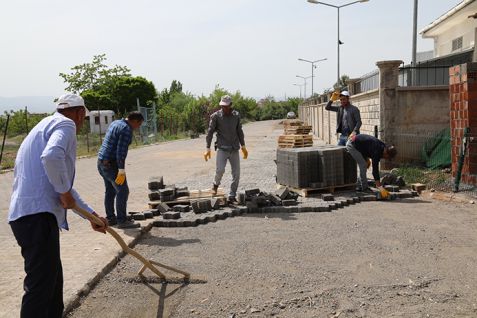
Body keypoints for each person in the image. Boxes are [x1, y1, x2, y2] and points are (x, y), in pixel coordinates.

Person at [8, 93, 108, 318]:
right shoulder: (66, 124)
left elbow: (61, 185)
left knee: (52, 285)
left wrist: (92, 216)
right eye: (84, 117)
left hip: (28, 216)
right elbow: (52, 157)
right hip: (36, 217)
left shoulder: (44, 125)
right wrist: (64, 192)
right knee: (41, 288)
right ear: (81, 113)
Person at [97, 111, 144, 229]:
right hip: (111, 165)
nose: (138, 128)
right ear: (134, 121)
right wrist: (121, 170)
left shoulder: (116, 123)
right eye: (139, 125)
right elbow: (120, 153)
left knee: (110, 190)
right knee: (123, 191)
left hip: (101, 162)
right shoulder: (126, 130)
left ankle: (111, 218)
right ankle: (122, 221)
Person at [204, 95, 248, 203]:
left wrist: (243, 146)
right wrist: (207, 148)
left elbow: (239, 132)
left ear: (230, 105)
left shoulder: (236, 116)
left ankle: (232, 195)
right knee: (220, 170)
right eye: (222, 106)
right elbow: (210, 132)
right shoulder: (216, 116)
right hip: (222, 148)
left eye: (226, 106)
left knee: (236, 174)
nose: (224, 108)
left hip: (234, 149)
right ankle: (215, 185)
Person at [346, 134, 397, 198]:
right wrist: (380, 187)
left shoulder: (383, 147)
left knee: (366, 164)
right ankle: (364, 188)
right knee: (363, 164)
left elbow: (368, 148)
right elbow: (375, 170)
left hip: (360, 146)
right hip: (352, 145)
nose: (386, 159)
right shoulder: (377, 151)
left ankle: (359, 185)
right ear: (386, 153)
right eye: (387, 157)